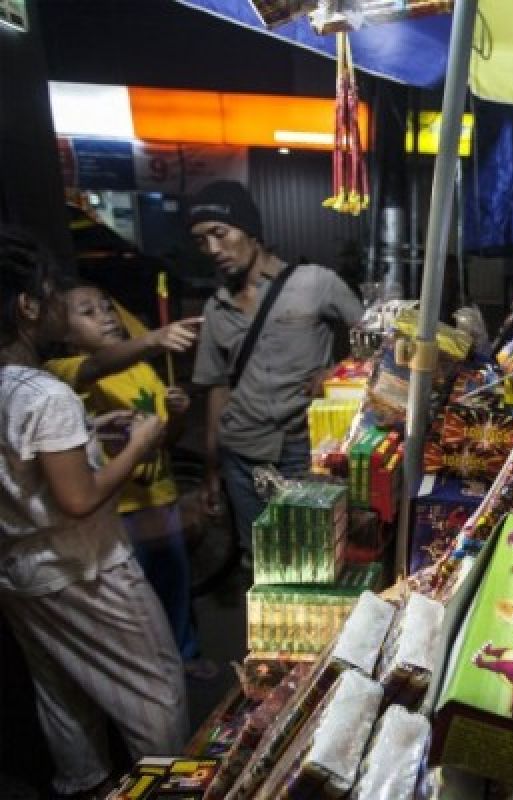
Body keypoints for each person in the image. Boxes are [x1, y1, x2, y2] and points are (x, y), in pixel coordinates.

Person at [0, 227, 188, 798]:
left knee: (62, 693)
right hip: (86, 569)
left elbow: (25, 467)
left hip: (22, 576)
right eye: (53, 293)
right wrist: (140, 442)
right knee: (156, 689)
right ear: (29, 305)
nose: (61, 303)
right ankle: (169, 789)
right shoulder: (45, 394)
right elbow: (78, 499)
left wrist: (88, 433)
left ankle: (83, 786)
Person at [186, 181, 364, 560]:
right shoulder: (216, 308)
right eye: (202, 241)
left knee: (315, 553)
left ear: (250, 231)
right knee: (260, 559)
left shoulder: (314, 282)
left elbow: (374, 340)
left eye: (220, 233)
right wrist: (212, 468)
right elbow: (217, 388)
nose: (213, 250)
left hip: (303, 448)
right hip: (241, 454)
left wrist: (339, 372)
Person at [44, 285, 213, 678]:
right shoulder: (64, 372)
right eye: (88, 311)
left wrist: (179, 415)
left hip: (160, 495)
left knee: (174, 583)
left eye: (108, 306)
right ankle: (152, 671)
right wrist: (153, 338)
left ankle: (184, 655)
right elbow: (96, 367)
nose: (106, 315)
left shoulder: (142, 370)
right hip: (118, 507)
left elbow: (167, 439)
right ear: (63, 332)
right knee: (138, 600)